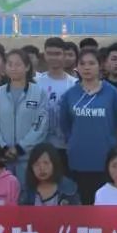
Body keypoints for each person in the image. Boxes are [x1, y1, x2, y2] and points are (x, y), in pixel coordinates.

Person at [60, 48, 117, 205]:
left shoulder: (112, 93)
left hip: (105, 159)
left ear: (100, 66)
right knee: (82, 206)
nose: (87, 67)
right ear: (77, 67)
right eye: (82, 63)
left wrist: (108, 140)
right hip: (78, 159)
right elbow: (65, 125)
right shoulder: (70, 94)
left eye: (91, 63)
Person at [0, 49, 48, 182]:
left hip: (30, 159)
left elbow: (40, 126)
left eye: (18, 64)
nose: (13, 68)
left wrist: (20, 148)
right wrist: (3, 147)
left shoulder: (39, 93)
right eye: (10, 64)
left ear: (27, 67)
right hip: (3, 158)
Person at [37, 37, 79, 165]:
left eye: (57, 54)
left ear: (64, 55)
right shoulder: (35, 83)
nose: (53, 57)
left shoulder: (75, 84)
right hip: (40, 145)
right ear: (44, 55)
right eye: (50, 53)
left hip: (66, 146)